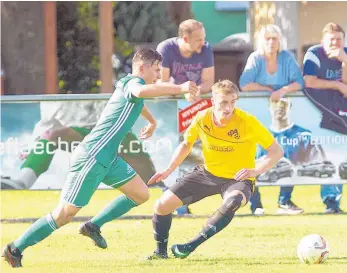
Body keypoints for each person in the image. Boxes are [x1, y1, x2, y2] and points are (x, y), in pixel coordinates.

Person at [2, 48, 199, 268]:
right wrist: (179, 88)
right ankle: (15, 248)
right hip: (92, 156)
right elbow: (141, 93)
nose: (158, 75)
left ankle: (93, 226)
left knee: (141, 193)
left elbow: (139, 101)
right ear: (142, 67)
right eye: (155, 70)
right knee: (65, 214)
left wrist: (152, 122)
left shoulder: (132, 88)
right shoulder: (130, 83)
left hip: (109, 159)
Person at [145, 80, 284, 259]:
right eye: (224, 102)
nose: (228, 108)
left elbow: (276, 151)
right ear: (212, 101)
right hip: (207, 174)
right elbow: (186, 144)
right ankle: (160, 253)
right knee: (162, 205)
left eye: (233, 102)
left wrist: (255, 171)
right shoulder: (202, 117)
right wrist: (169, 169)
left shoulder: (247, 121)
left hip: (238, 179)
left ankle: (189, 246)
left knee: (232, 202)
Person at [239, 24, 305, 214]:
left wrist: (283, 91)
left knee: (286, 154)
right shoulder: (255, 58)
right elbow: (244, 84)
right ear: (262, 41)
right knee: (256, 157)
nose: (271, 42)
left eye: (274, 38)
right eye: (267, 38)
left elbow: (299, 82)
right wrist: (268, 91)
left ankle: (284, 201)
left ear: (279, 41)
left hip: (283, 118)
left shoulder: (286, 58)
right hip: (258, 117)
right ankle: (256, 204)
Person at [156, 19, 215, 214]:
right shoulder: (166, 49)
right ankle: (170, 201)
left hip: (194, 108)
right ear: (185, 38)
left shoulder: (205, 49)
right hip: (168, 109)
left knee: (193, 154)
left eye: (204, 38)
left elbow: (208, 82)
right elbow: (161, 82)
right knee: (170, 153)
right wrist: (183, 90)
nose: (203, 43)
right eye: (198, 39)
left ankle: (183, 202)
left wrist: (195, 90)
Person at [252, 98, 328, 214]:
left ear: (290, 108)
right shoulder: (259, 134)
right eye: (275, 103)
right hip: (262, 170)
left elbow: (319, 160)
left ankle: (285, 202)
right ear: (269, 107)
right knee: (248, 170)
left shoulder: (303, 134)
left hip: (291, 170)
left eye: (283, 104)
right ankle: (256, 206)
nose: (279, 107)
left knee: (289, 166)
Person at [303, 22, 346, 212]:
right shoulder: (314, 53)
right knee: (328, 154)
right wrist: (336, 85)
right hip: (318, 109)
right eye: (331, 39)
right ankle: (329, 200)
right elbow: (309, 81)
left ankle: (334, 201)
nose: (335, 43)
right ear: (323, 41)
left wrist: (345, 61)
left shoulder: (345, 52)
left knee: (341, 156)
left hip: (340, 110)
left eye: (339, 39)